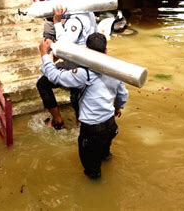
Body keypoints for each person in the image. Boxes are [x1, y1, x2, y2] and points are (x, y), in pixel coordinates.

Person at [38, 33, 129, 179]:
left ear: (87, 51)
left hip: (92, 130)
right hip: (110, 125)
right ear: (106, 50)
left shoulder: (83, 74)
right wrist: (118, 107)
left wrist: (44, 54)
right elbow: (122, 95)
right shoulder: (115, 70)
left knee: (92, 173)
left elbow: (54, 76)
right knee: (105, 156)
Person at [36, 0, 97, 129]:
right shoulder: (89, 12)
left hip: (76, 62)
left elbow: (66, 44)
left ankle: (58, 120)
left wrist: (57, 22)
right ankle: (80, 124)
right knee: (76, 94)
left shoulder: (76, 19)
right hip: (87, 61)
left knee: (43, 83)